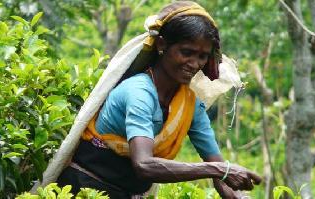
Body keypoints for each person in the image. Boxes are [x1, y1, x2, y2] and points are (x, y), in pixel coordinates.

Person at [57, 1, 261, 198]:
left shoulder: (189, 104)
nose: (194, 63)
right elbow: (144, 165)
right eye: (186, 52)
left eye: (202, 56)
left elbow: (218, 168)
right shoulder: (139, 92)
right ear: (162, 44)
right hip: (84, 190)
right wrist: (218, 170)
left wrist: (236, 192)